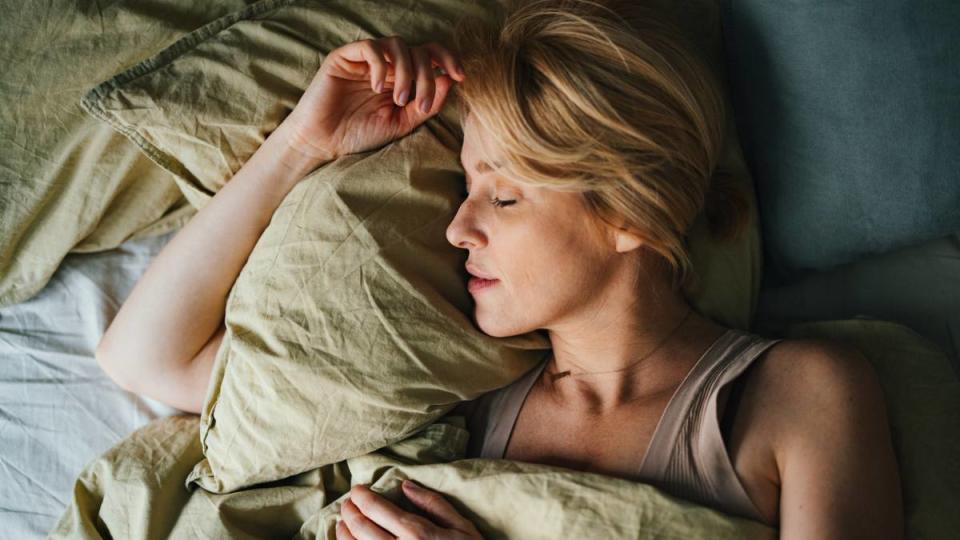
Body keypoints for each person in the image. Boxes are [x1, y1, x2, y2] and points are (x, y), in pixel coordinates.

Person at [95, 1, 903, 538]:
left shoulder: (801, 396)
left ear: (629, 215)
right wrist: (304, 146)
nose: (457, 226)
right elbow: (143, 359)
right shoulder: (457, 384)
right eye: (468, 184)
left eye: (505, 198)